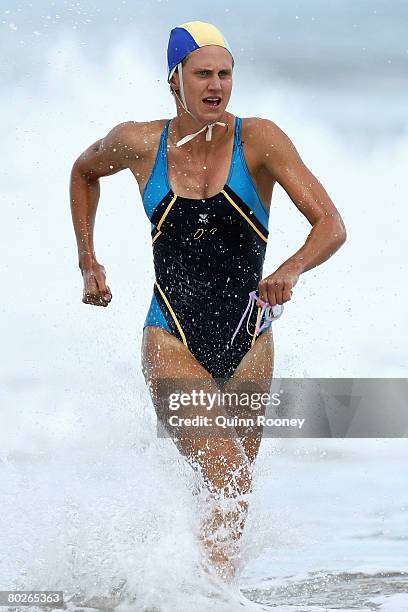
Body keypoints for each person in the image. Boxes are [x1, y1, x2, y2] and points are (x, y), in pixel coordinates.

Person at [70, 20, 347, 581]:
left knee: (233, 493)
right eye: (203, 74)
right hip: (170, 335)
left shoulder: (260, 139)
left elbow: (331, 224)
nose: (216, 85)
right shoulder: (140, 142)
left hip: (251, 341)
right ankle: (187, 593)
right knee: (226, 476)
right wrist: (88, 260)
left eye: (225, 73)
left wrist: (290, 269)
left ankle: (195, 589)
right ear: (176, 80)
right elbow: (83, 171)